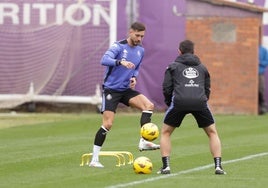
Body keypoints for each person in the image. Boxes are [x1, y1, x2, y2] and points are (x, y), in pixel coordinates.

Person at [89, 22, 160, 168]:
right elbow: (104, 60)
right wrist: (120, 62)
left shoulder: (141, 50)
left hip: (125, 90)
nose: (140, 39)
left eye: (142, 36)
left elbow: (137, 68)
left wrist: (134, 77)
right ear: (130, 32)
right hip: (111, 90)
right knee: (108, 124)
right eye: (137, 35)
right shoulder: (118, 46)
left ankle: (144, 140)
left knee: (148, 105)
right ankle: (94, 160)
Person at [158, 40, 226, 175]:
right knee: (212, 133)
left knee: (166, 133)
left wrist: (168, 102)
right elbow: (207, 88)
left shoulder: (172, 66)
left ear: (179, 51)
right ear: (194, 51)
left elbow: (167, 88)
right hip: (200, 102)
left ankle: (166, 167)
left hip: (179, 102)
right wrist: (203, 100)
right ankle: (218, 167)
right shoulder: (202, 67)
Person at [258, 45, 268, 115]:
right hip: (251, 74)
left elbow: (266, 62)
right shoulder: (251, 49)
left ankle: (263, 107)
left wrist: (259, 62)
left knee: (261, 89)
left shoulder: (263, 50)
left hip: (260, 73)